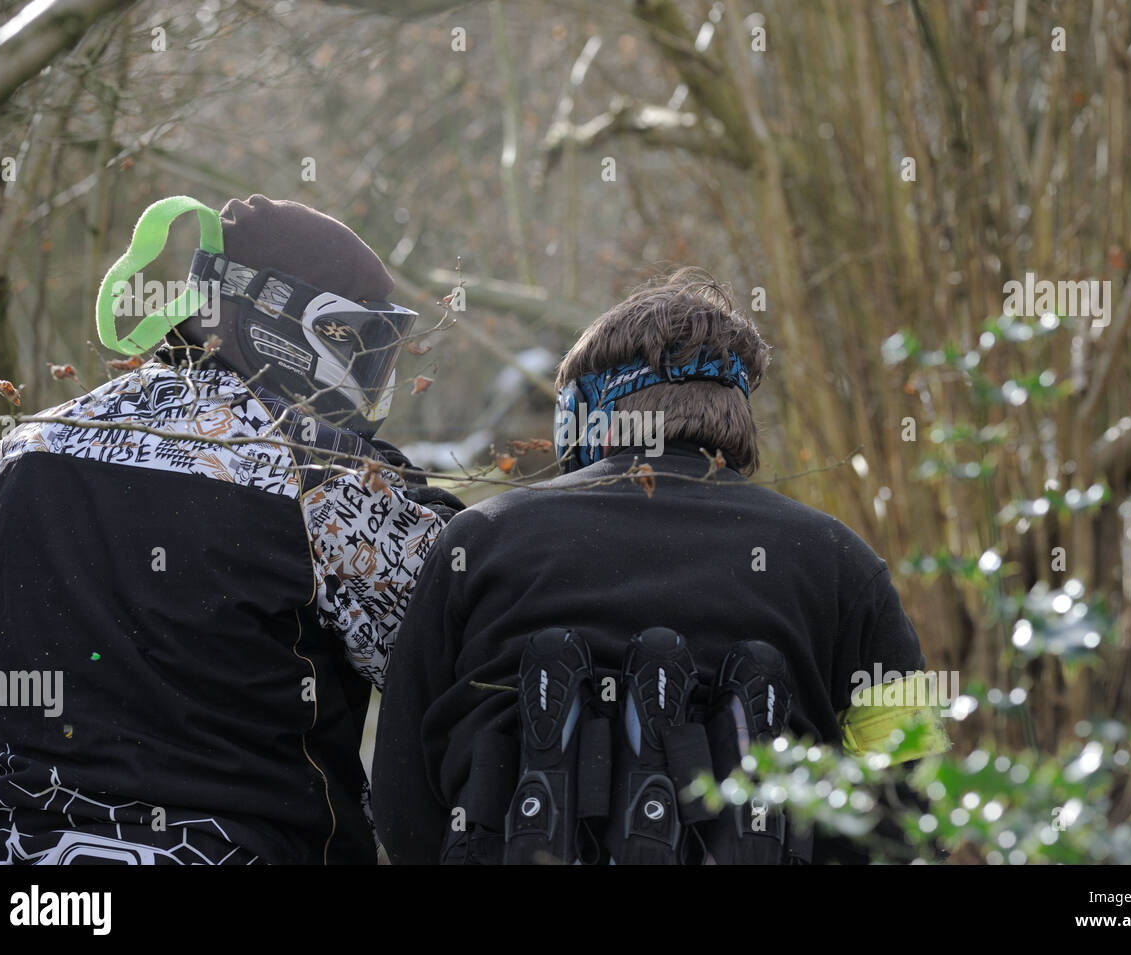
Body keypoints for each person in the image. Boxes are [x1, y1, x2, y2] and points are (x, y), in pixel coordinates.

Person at [372, 268, 948, 865]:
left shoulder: (479, 541)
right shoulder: (842, 561)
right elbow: (911, 805)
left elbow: (401, 795)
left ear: (580, 417)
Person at [0, 194, 458, 865]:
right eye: (358, 343)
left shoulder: (20, 455)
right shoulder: (319, 474)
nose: (375, 374)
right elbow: (449, 658)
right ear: (285, 321)